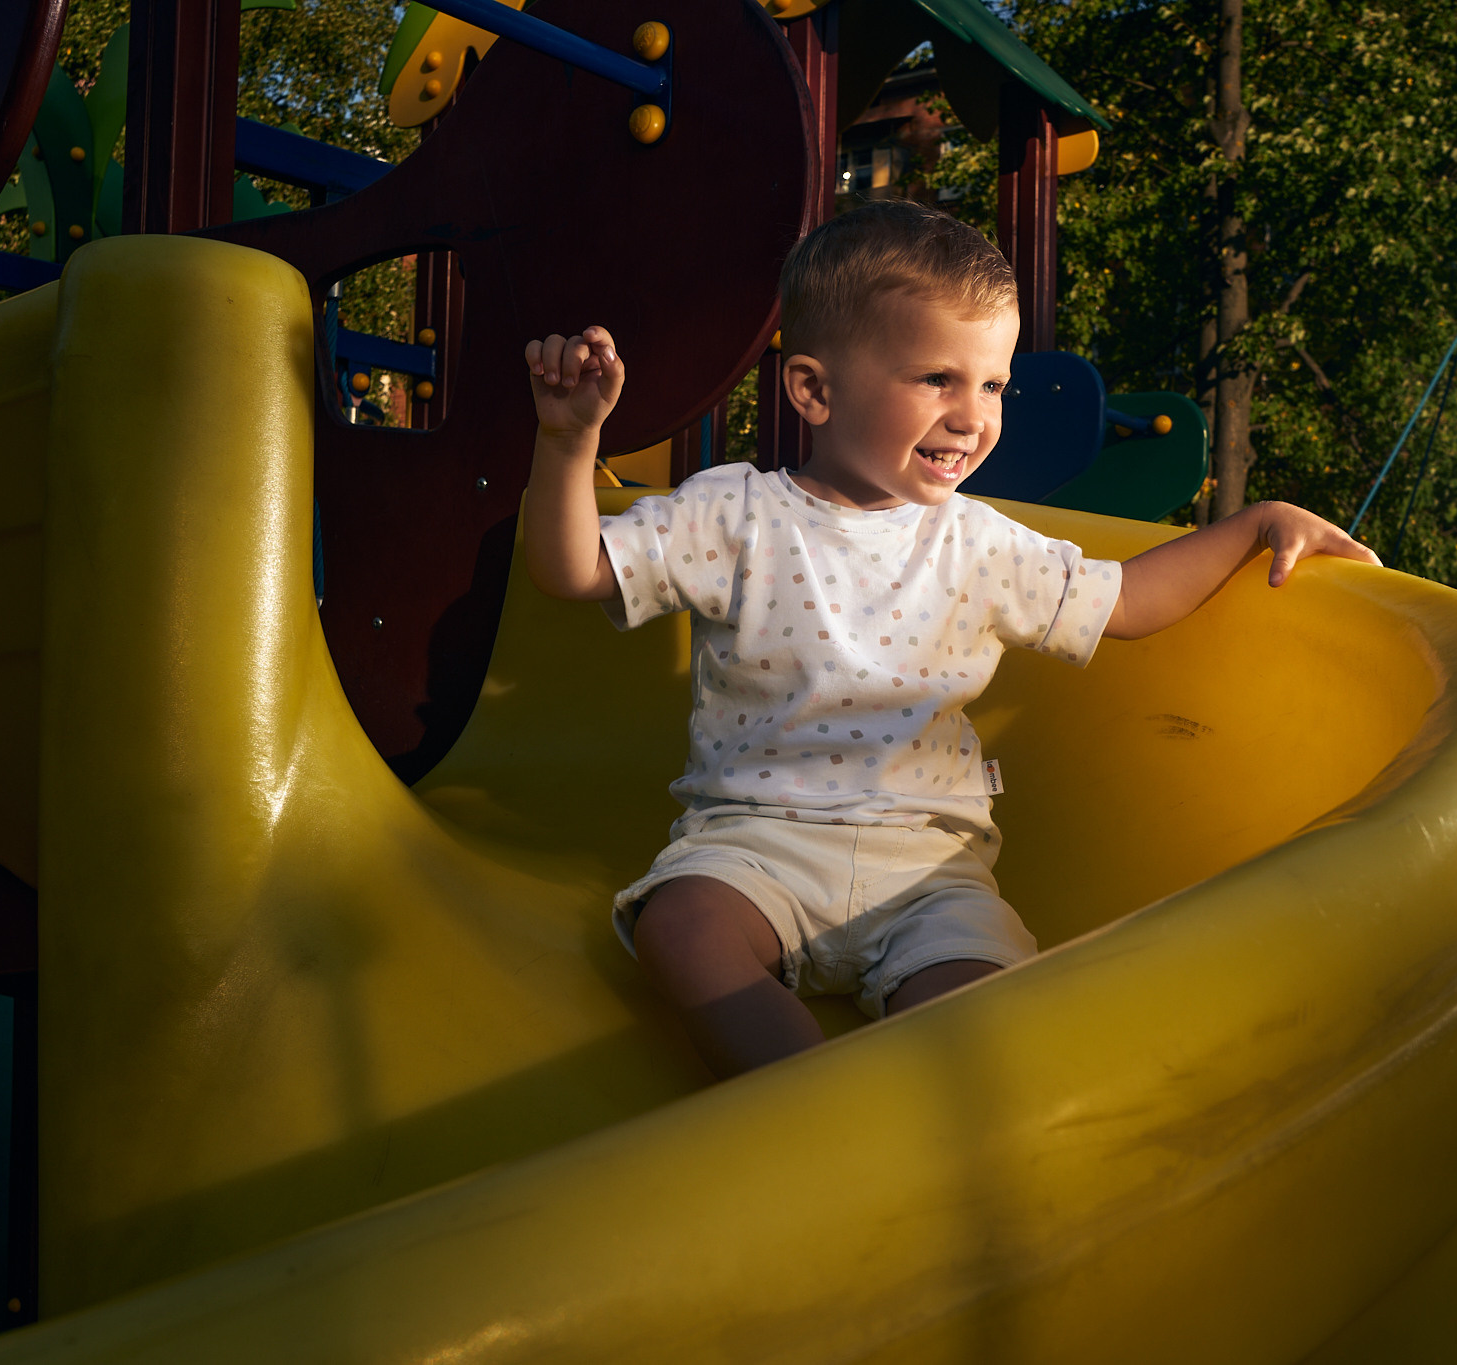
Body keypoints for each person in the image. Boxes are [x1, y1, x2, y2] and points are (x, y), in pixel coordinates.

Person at [522, 200, 1378, 1079]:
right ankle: (800, 1101)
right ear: (816, 389)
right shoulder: (736, 513)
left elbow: (1126, 601)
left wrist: (1254, 524)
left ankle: (907, 1110)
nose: (973, 416)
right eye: (938, 379)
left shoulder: (979, 542)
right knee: (681, 927)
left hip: (927, 870)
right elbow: (575, 568)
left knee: (987, 1009)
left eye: (993, 384)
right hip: (754, 843)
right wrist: (568, 442)